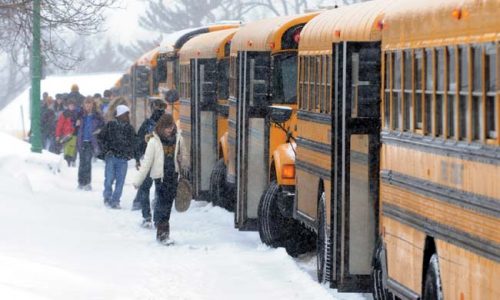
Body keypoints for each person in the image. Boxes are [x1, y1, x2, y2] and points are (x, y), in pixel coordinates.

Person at [133, 114, 188, 244]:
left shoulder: (179, 139)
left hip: (173, 175)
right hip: (160, 178)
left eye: (171, 126)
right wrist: (138, 181)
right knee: (163, 203)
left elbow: (185, 156)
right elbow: (146, 163)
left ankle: (161, 227)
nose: (169, 130)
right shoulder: (153, 142)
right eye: (167, 127)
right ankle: (163, 235)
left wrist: (182, 159)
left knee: (167, 205)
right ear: (161, 127)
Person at [131, 99, 167, 224]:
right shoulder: (168, 124)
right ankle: (158, 218)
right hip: (162, 162)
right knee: (159, 190)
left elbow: (139, 141)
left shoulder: (147, 124)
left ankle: (146, 217)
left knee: (145, 188)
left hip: (149, 160)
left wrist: (137, 158)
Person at [97, 103, 138, 209]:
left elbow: (134, 143)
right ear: (119, 114)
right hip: (111, 157)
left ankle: (115, 200)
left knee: (120, 181)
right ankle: (107, 197)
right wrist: (106, 151)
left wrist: (130, 155)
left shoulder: (130, 129)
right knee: (109, 178)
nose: (127, 116)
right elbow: (100, 138)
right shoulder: (110, 125)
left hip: (123, 159)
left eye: (127, 114)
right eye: (125, 114)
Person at [77, 97, 105, 190]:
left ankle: (87, 182)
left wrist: (99, 130)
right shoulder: (80, 115)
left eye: (89, 103)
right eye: (86, 104)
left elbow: (103, 126)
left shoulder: (97, 116)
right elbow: (74, 125)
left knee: (87, 162)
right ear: (84, 105)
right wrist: (76, 123)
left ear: (93, 104)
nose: (88, 105)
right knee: (82, 163)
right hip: (82, 141)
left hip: (91, 141)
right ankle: (81, 182)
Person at [55, 99, 79, 166]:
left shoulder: (77, 113)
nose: (72, 107)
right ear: (68, 106)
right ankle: (67, 161)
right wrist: (58, 135)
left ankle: (72, 160)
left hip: (74, 133)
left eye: (73, 105)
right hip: (66, 134)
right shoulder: (64, 114)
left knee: (73, 148)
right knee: (67, 148)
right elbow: (60, 125)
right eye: (70, 105)